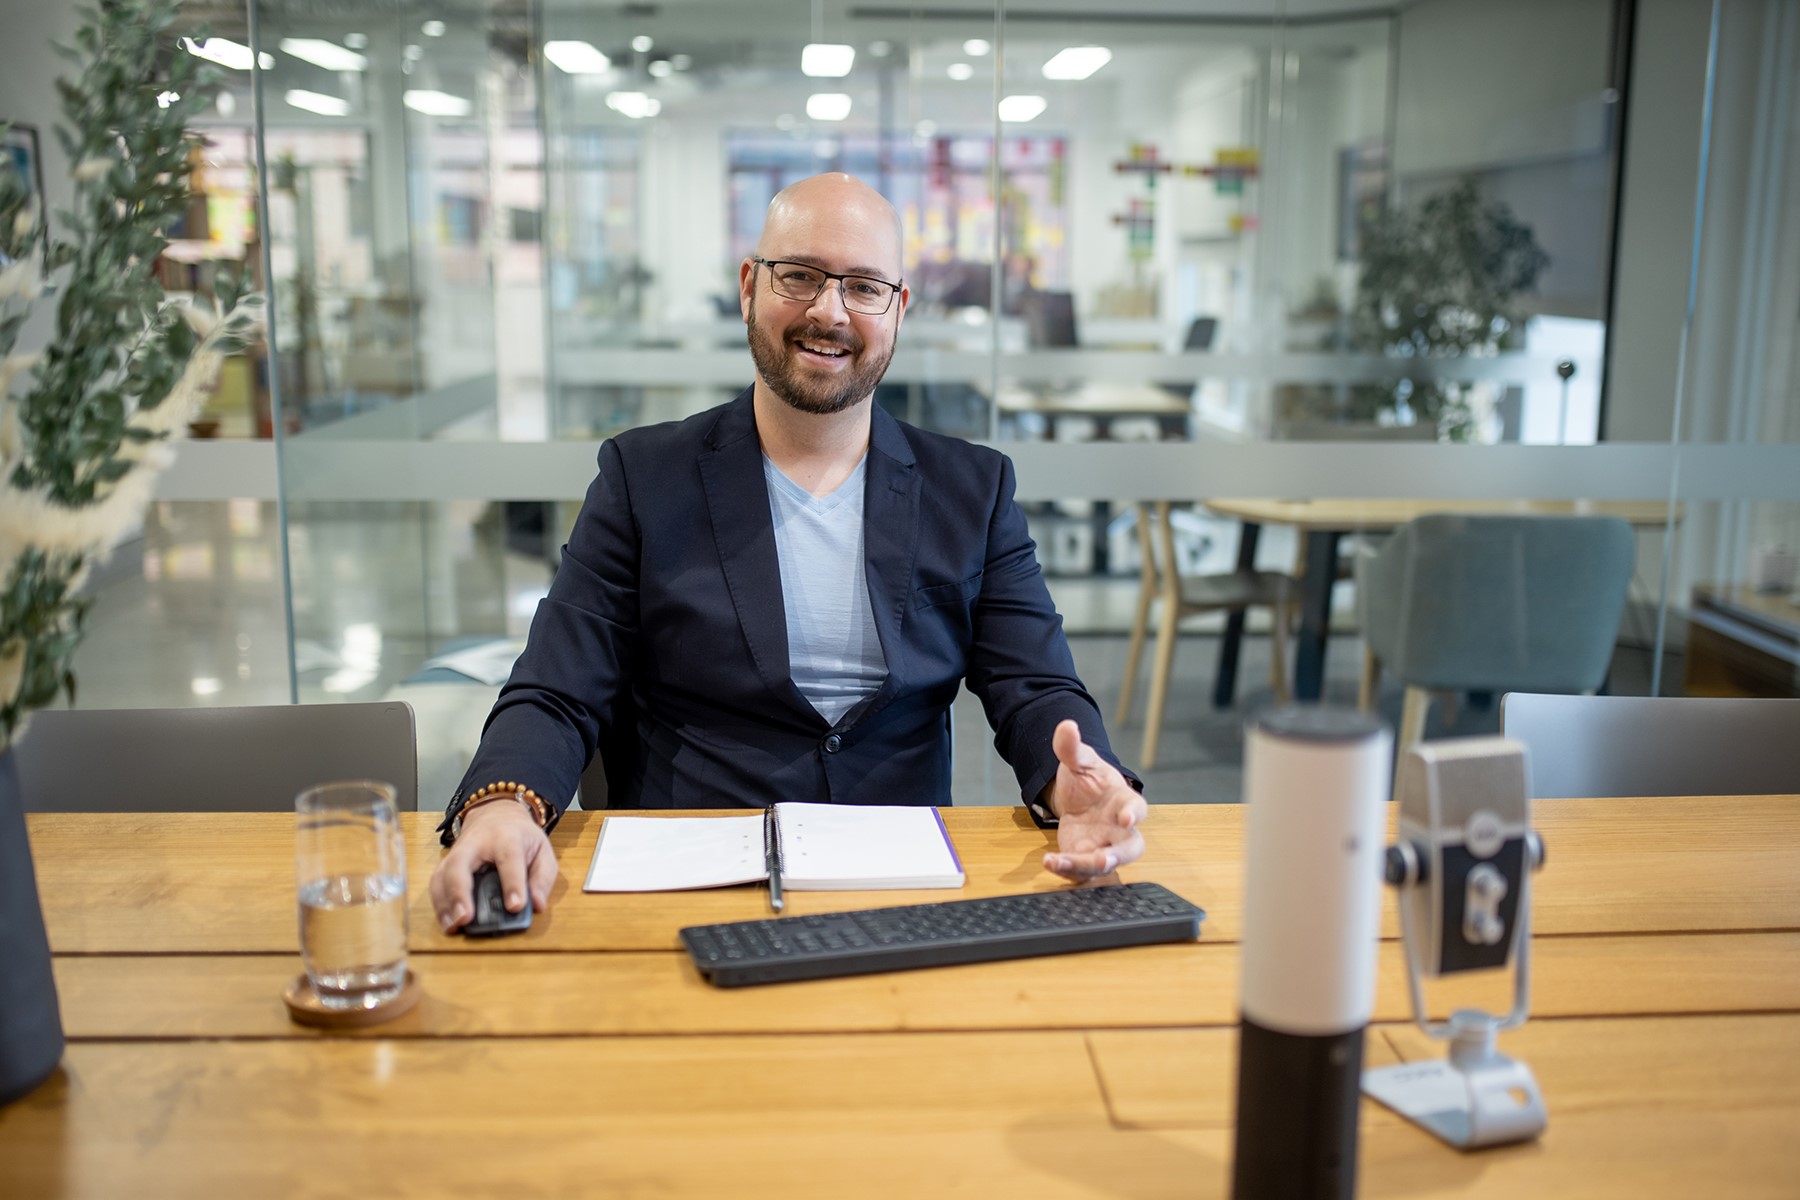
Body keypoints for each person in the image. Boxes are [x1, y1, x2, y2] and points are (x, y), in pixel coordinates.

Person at [430, 174, 1147, 932]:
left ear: (898, 310)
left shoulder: (971, 489)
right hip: (689, 883)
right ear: (749, 287)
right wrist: (503, 804)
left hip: (896, 885)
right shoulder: (644, 479)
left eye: (864, 286)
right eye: (799, 276)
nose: (829, 312)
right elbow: (557, 686)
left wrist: (1080, 785)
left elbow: (1035, 688)